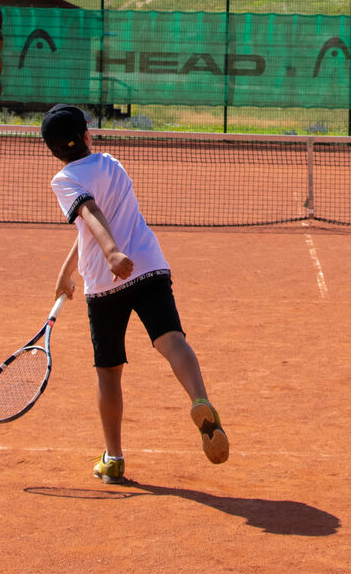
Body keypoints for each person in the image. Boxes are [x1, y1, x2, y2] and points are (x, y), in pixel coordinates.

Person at [40, 103, 228, 485]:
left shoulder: (63, 180)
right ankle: (200, 399)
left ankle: (114, 458)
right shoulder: (111, 163)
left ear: (54, 150)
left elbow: (90, 213)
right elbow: (94, 220)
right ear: (87, 136)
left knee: (109, 372)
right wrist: (66, 270)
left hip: (106, 282)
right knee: (171, 340)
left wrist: (110, 253)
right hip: (148, 265)